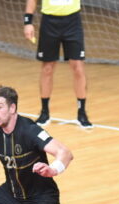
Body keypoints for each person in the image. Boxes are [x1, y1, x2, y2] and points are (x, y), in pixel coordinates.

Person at [23, 0, 93, 128]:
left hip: (73, 21)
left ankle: (82, 113)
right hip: (49, 22)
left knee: (78, 67)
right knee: (47, 68)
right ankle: (44, 112)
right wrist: (28, 22)